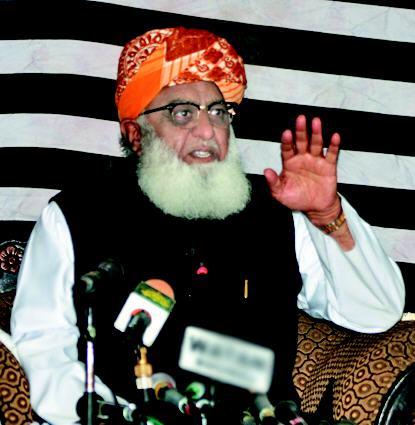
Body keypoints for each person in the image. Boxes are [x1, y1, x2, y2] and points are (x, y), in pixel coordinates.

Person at [11, 27, 404, 424]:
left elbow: (377, 312)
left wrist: (327, 215)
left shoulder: (277, 209)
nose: (207, 130)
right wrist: (110, 416)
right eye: (182, 113)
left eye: (218, 112)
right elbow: (43, 346)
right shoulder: (77, 214)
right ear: (135, 134)